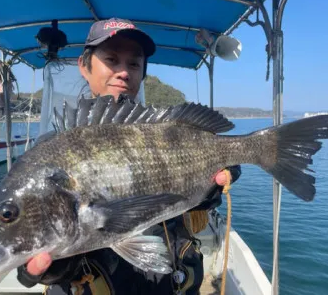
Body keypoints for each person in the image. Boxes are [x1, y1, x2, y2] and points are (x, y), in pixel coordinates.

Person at [17, 18, 242, 294]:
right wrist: (54, 268)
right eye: (111, 59)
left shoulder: (163, 131)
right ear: (84, 66)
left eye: (134, 64)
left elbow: (185, 206)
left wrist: (210, 191)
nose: (123, 72)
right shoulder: (51, 152)